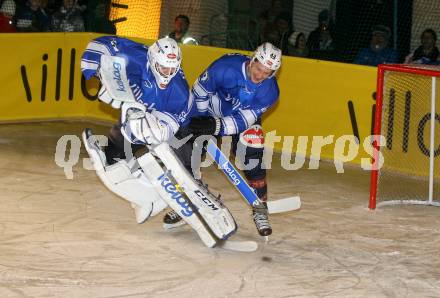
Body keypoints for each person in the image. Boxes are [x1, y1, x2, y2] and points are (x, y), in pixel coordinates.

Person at [163, 42, 282, 237]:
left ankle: (260, 209)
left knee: (252, 151)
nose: (260, 75)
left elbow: (245, 120)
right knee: (185, 154)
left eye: (267, 73)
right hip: (209, 111)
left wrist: (216, 126)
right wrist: (203, 120)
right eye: (259, 68)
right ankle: (186, 201)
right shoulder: (225, 67)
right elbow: (200, 91)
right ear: (252, 60)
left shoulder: (270, 91)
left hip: (238, 119)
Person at [81, 36, 193, 224]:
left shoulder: (179, 92)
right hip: (139, 114)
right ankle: (142, 199)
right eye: (164, 67)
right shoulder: (136, 55)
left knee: (183, 169)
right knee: (112, 156)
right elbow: (102, 44)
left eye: (173, 68)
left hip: (177, 125)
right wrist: (95, 70)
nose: (168, 73)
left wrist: (151, 131)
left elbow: (168, 128)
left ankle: (186, 198)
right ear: (152, 59)